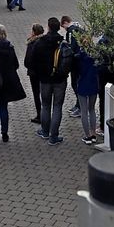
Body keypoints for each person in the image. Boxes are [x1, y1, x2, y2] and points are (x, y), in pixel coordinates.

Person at [31, 17, 67, 145]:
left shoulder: (40, 43)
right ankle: (54, 136)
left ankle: (45, 131)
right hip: (59, 80)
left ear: (48, 27)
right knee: (57, 107)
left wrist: (38, 72)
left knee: (45, 105)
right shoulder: (63, 43)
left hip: (45, 79)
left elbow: (31, 60)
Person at [74, 34, 101, 144]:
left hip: (82, 84)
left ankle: (87, 136)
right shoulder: (95, 54)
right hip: (93, 84)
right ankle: (94, 134)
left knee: (84, 111)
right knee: (92, 109)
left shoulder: (79, 56)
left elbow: (76, 71)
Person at [24, 23, 46, 124]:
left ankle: (39, 115)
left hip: (34, 73)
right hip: (44, 72)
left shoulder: (32, 43)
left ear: (34, 32)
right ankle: (46, 114)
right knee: (45, 94)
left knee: (36, 94)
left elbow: (27, 61)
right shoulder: (46, 41)